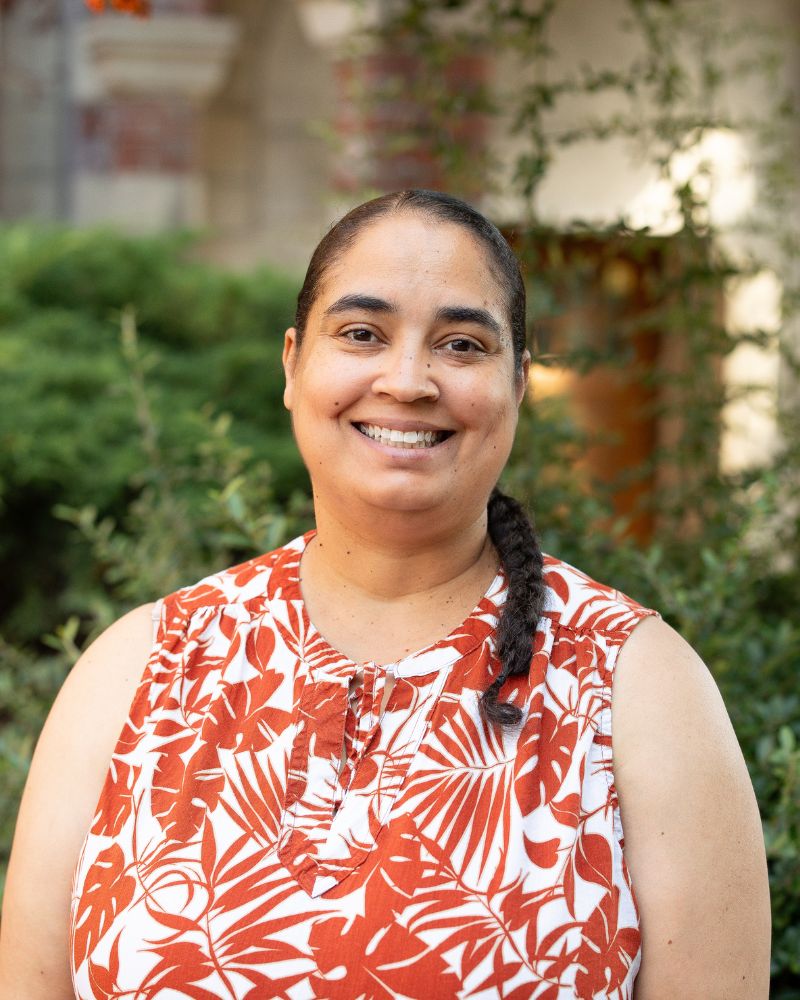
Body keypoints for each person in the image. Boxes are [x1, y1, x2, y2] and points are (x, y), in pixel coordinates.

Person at [0, 190, 770, 999]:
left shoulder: (639, 688)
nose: (407, 381)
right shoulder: (141, 669)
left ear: (517, 382)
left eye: (461, 344)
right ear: (293, 363)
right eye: (362, 333)